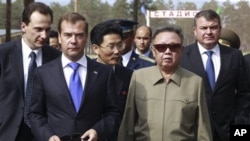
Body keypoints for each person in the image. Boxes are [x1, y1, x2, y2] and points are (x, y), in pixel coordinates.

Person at [29, 12, 121, 141]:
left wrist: (97, 131)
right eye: (68, 35)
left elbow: (113, 113)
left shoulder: (104, 73)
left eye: (79, 35)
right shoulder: (43, 73)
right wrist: (48, 136)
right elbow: (35, 114)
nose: (73, 41)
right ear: (60, 37)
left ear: (86, 37)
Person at [118, 25, 212, 141]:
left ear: (181, 51)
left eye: (174, 47)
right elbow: (128, 122)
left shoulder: (195, 82)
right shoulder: (139, 77)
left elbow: (203, 129)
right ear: (153, 51)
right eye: (161, 47)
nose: (167, 52)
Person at [180, 9, 250, 141]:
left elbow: (245, 94)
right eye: (203, 28)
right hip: (192, 132)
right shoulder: (182, 56)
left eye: (213, 27)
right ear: (195, 31)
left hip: (228, 131)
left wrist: (240, 124)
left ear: (219, 29)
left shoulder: (235, 56)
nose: (208, 32)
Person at [0, 2, 61, 141]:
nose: (44, 35)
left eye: (47, 29)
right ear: (23, 26)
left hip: (45, 133)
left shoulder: (56, 59)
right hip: (7, 132)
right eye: (38, 29)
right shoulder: (3, 55)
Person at [90, 21, 133, 140]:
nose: (117, 51)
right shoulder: (84, 74)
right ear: (96, 48)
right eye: (111, 46)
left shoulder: (129, 76)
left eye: (120, 45)